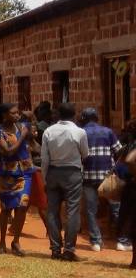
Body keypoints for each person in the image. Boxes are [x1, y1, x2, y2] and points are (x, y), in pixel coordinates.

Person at [41, 103, 90, 260]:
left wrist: (44, 178)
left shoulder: (48, 131)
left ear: (57, 114)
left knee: (52, 211)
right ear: (74, 115)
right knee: (72, 211)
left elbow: (44, 159)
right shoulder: (79, 132)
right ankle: (69, 250)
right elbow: (85, 154)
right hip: (72, 173)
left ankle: (55, 249)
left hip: (53, 172)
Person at [0, 103, 34, 256]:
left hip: (25, 172)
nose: (17, 115)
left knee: (22, 205)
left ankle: (16, 241)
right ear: (4, 115)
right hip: (7, 173)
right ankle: (2, 242)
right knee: (6, 208)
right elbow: (8, 151)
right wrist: (22, 135)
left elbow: (33, 144)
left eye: (18, 112)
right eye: (13, 113)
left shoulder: (23, 126)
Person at [79, 107, 121, 253]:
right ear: (97, 118)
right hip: (107, 177)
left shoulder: (81, 133)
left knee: (91, 210)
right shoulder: (108, 132)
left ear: (83, 119)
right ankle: (122, 240)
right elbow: (119, 151)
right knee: (116, 208)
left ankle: (96, 242)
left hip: (87, 177)